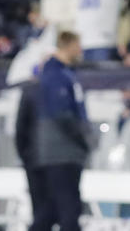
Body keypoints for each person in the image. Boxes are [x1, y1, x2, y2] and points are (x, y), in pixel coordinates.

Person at [33, 30, 90, 231]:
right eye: (78, 45)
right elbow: (62, 115)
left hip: (63, 152)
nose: (81, 50)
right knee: (68, 210)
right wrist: (83, 138)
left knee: (51, 211)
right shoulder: (56, 75)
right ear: (69, 45)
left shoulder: (62, 74)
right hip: (61, 153)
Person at [15, 74, 43, 228]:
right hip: (37, 159)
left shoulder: (30, 92)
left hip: (34, 159)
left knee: (41, 210)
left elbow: (20, 129)